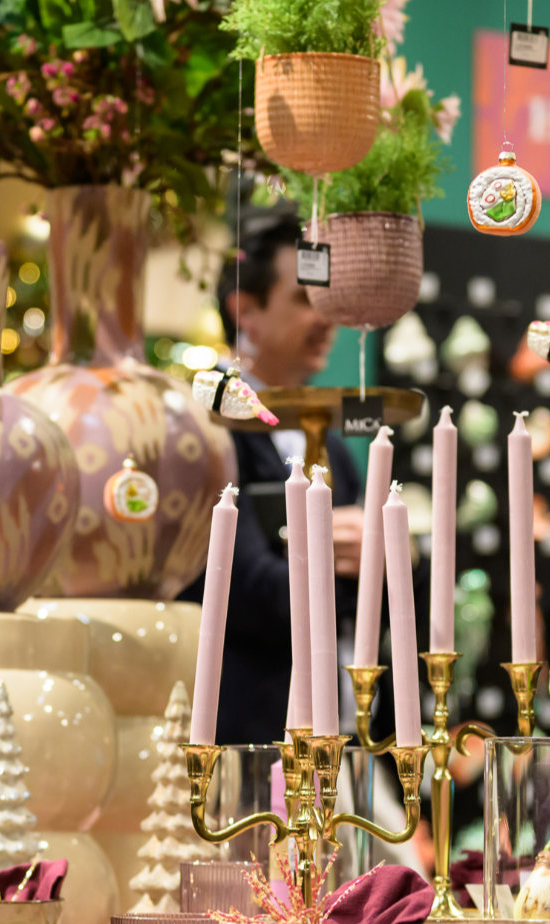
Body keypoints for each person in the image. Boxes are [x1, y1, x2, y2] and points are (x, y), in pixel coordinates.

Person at [181, 209, 368, 745]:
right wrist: (340, 560)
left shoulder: (333, 442)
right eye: (307, 300)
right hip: (239, 735)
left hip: (327, 733)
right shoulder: (207, 432)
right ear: (246, 311)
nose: (326, 318)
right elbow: (245, 594)